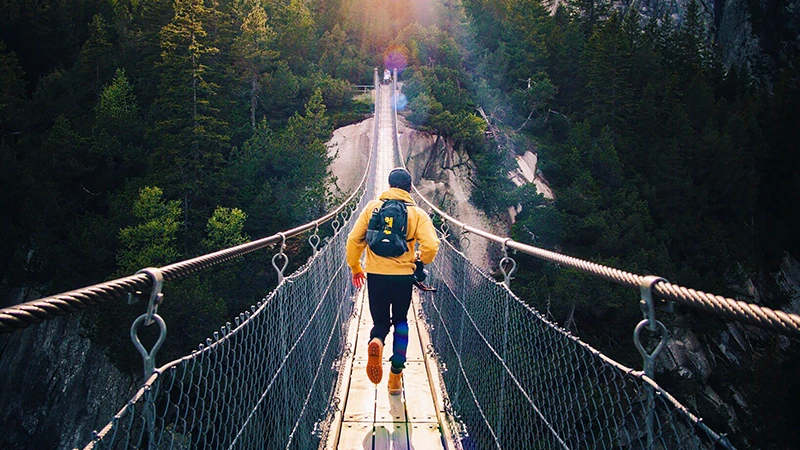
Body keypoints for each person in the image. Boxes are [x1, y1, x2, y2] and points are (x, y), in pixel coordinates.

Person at [346, 168, 440, 394]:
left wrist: (356, 267)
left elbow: (353, 240)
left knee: (380, 322)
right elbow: (431, 246)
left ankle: (376, 340)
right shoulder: (417, 214)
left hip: (376, 276)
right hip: (402, 279)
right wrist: (419, 259)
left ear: (389, 186)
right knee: (401, 323)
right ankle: (395, 376)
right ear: (409, 188)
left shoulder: (372, 208)